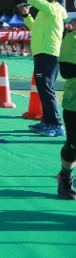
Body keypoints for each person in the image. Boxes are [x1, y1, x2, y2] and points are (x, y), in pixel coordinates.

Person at [7, 0, 66, 137]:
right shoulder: (46, 13)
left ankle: (56, 124)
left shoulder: (51, 9)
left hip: (48, 54)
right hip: (43, 53)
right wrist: (26, 16)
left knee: (46, 88)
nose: (35, 0)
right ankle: (48, 121)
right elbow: (34, 27)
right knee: (43, 88)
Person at [55, 14, 76, 200]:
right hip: (74, 103)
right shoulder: (72, 39)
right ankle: (65, 177)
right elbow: (66, 70)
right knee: (74, 145)